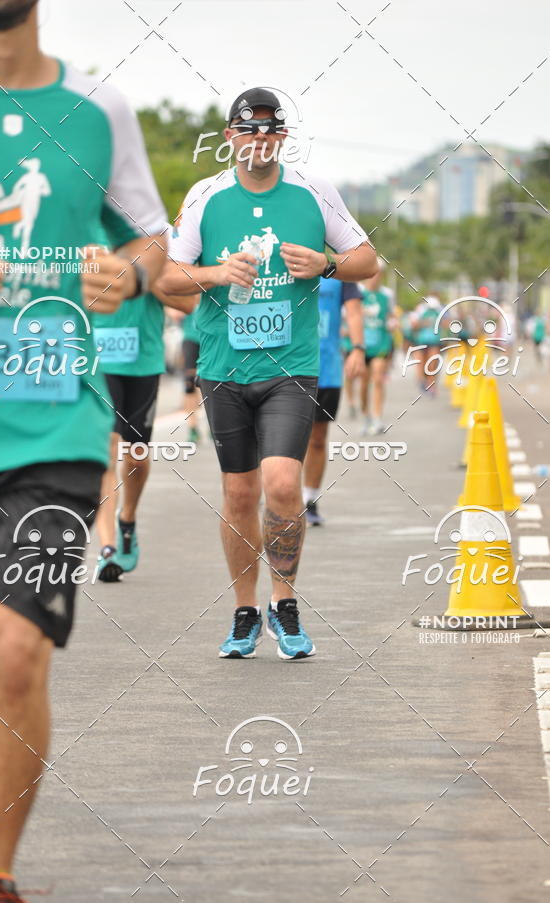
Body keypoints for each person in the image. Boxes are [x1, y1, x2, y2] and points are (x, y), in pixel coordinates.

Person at [0, 2, 167, 900]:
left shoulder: (98, 109)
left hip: (54, 427)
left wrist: (131, 273)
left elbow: (151, 240)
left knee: (11, 648)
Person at [160, 87, 376, 660]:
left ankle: (285, 605)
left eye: (270, 130)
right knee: (238, 494)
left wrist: (326, 263)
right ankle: (244, 611)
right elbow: (166, 280)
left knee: (283, 484)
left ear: (283, 137)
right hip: (225, 367)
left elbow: (368, 260)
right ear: (230, 137)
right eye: (248, 130)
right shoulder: (205, 196)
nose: (260, 140)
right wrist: (217, 271)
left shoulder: (313, 192)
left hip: (292, 367)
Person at [94, 287, 196, 582]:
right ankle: (107, 548)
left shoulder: (155, 248)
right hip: (100, 362)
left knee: (137, 458)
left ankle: (127, 520)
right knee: (108, 449)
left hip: (144, 362)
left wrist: (146, 279)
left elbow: (187, 303)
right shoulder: (90, 246)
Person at [303, 277, 364, 526]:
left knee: (317, 439)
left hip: (326, 370)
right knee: (280, 437)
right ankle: (275, 495)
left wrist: (358, 348)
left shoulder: (341, 271)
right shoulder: (285, 259)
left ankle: (309, 499)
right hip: (286, 368)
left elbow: (354, 312)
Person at [359, 261, 396, 434]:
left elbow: (391, 315)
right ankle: (366, 416)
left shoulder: (387, 295)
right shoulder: (358, 292)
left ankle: (378, 418)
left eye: (378, 274)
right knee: (364, 383)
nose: (375, 278)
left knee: (378, 378)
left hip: (381, 343)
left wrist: (392, 324)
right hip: (362, 345)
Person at [410, 294, 443, 394]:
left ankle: (431, 385)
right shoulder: (420, 310)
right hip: (420, 342)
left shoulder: (439, 310)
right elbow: (414, 325)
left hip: (434, 342)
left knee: (432, 365)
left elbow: (446, 323)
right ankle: (422, 382)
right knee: (421, 364)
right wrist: (424, 323)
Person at [181, 306, 203, 443]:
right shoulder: (188, 286)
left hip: (211, 338)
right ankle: (193, 428)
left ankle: (213, 423)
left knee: (211, 382)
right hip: (191, 338)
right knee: (189, 383)